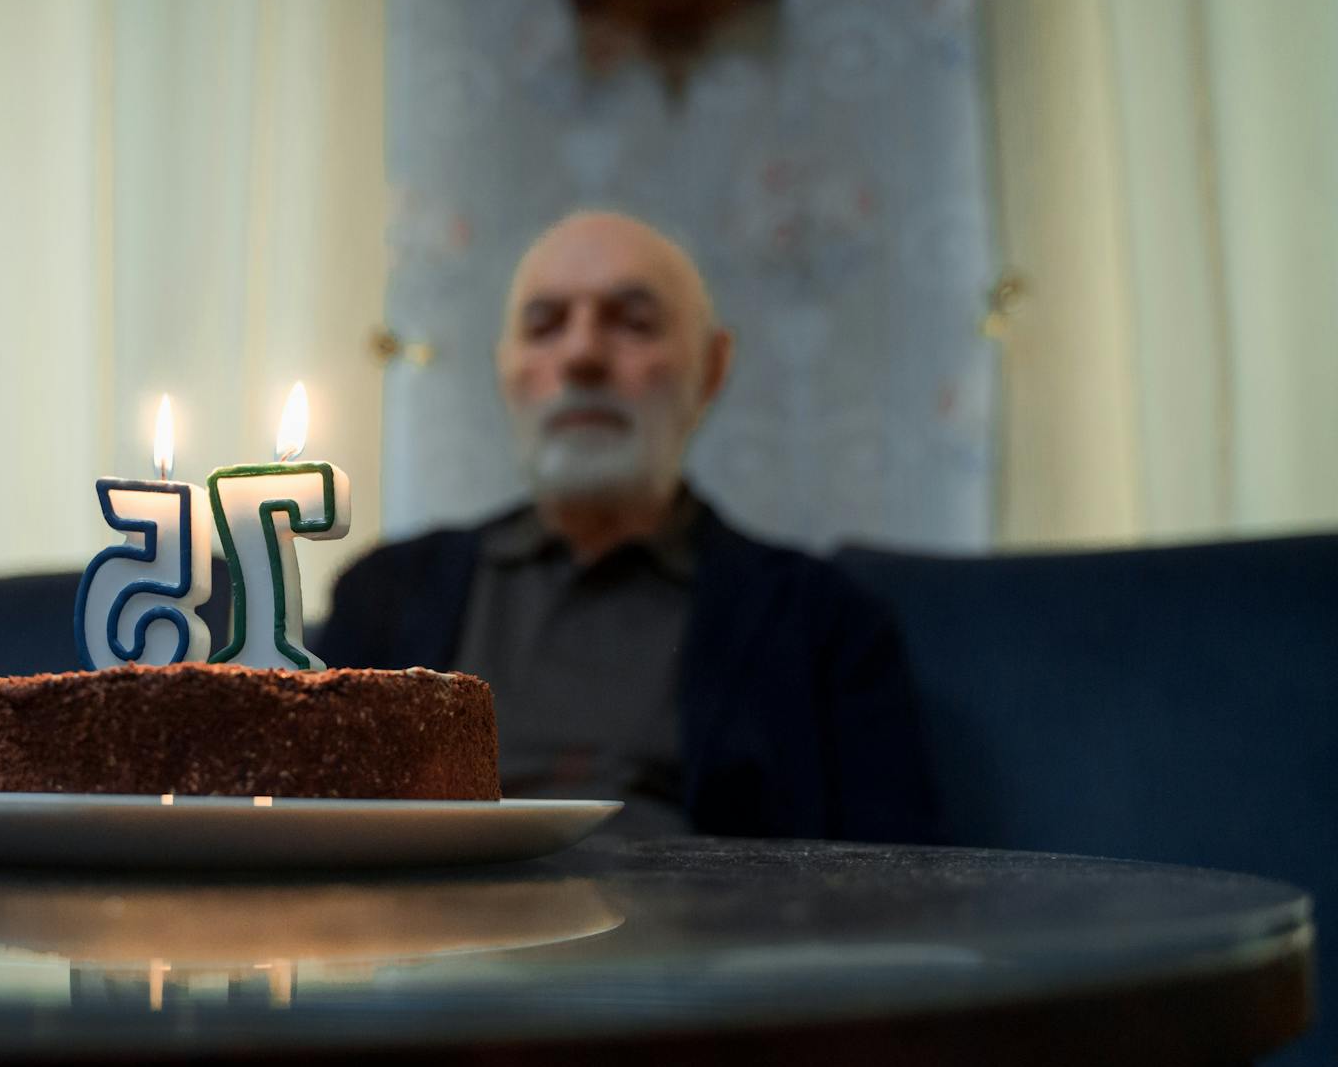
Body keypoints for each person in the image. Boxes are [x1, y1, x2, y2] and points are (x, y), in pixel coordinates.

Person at [317, 211, 935, 841]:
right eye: (543, 326)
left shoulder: (826, 623)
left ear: (712, 369)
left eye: (634, 323)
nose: (582, 354)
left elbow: (900, 883)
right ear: (505, 371)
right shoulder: (384, 593)